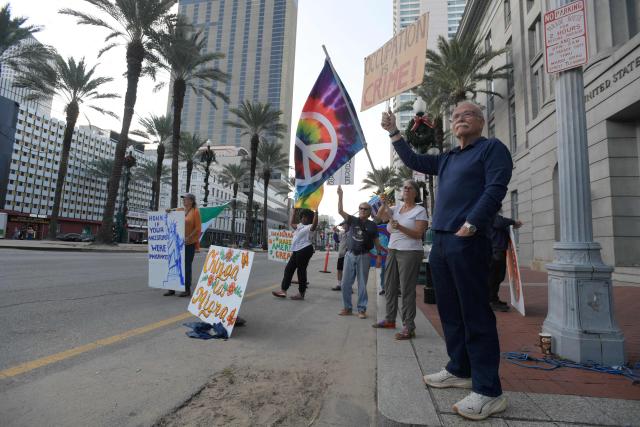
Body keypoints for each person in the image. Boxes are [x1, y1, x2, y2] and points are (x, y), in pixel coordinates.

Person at [382, 101, 512, 421]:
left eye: (467, 115)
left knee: (475, 312)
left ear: (481, 121)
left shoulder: (491, 149)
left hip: (467, 239)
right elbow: (413, 159)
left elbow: (496, 188)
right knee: (450, 311)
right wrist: (394, 133)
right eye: (455, 117)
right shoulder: (448, 157)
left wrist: (473, 222)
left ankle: (488, 391)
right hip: (440, 242)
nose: (460, 120)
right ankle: (459, 368)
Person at [373, 180, 428, 340]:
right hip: (393, 249)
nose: (406, 189)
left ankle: (409, 326)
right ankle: (390, 319)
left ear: (415, 193)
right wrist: (383, 204)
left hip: (410, 252)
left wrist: (401, 227)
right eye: (404, 187)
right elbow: (378, 218)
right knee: (389, 286)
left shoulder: (420, 210)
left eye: (409, 188)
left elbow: (418, 234)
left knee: (406, 290)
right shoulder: (396, 208)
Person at [337, 185, 383, 319]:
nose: (362, 210)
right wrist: (340, 195)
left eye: (365, 209)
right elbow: (340, 210)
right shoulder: (353, 220)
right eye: (360, 208)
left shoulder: (372, 225)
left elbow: (376, 242)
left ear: (369, 212)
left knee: (362, 284)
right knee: (345, 283)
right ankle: (347, 308)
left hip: (364, 256)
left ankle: (361, 309)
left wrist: (379, 256)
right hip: (350, 254)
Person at [272, 208, 318, 300]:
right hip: (296, 250)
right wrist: (293, 213)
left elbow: (315, 224)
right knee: (289, 269)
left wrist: (316, 213)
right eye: (302, 217)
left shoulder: (310, 227)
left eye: (305, 217)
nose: (303, 218)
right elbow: (292, 224)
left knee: (301, 271)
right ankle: (283, 291)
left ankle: (301, 293)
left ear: (309, 218)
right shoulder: (300, 225)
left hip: (305, 249)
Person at [164, 193, 201, 298]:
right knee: (174, 264)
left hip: (189, 243)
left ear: (191, 201)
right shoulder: (180, 210)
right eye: (183, 199)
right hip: (177, 243)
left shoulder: (195, 212)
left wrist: (189, 237)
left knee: (186, 266)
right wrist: (168, 211)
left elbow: (198, 228)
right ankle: (171, 288)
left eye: (186, 199)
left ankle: (186, 289)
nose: (184, 200)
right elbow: (171, 213)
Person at [488, 214, 523, 312]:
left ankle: (494, 299)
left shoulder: (495, 216)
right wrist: (514, 222)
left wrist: (512, 225)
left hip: (499, 250)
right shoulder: (492, 215)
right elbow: (499, 222)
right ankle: (491, 301)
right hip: (495, 251)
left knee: (498, 277)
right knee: (494, 277)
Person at [332, 222, 348, 291]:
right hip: (341, 254)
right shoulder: (342, 233)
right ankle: (339, 284)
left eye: (345, 224)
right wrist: (335, 232)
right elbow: (337, 240)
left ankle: (348, 286)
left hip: (349, 255)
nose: (343, 226)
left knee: (348, 271)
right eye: (343, 225)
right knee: (339, 269)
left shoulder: (352, 232)